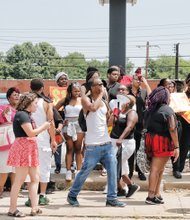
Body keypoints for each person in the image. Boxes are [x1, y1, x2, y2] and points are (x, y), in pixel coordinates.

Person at [67, 77, 126, 207]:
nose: (102, 86)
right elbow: (93, 108)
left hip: (106, 144)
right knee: (84, 172)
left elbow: (107, 121)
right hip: (92, 146)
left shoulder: (104, 102)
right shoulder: (86, 99)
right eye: (99, 84)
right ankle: (72, 194)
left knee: (112, 171)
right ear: (92, 87)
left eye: (102, 84)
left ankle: (111, 198)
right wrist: (100, 94)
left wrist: (115, 115)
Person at [7, 92, 51, 217]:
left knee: (35, 178)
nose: (37, 106)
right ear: (28, 103)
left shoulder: (26, 115)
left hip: (29, 148)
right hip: (24, 148)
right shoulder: (22, 115)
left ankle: (34, 207)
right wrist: (44, 127)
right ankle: (12, 209)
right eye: (35, 103)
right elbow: (31, 133)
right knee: (19, 180)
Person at [144, 86, 179, 205]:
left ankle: (157, 193)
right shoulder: (167, 110)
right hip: (162, 142)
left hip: (151, 140)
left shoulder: (150, 110)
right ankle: (151, 195)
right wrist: (177, 147)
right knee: (155, 169)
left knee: (159, 169)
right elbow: (172, 128)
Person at [25, 79, 57, 207]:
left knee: (28, 168)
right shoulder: (46, 103)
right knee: (44, 167)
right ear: (42, 88)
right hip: (43, 138)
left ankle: (30, 197)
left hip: (28, 137)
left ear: (30, 87)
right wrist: (53, 140)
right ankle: (42, 196)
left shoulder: (25, 102)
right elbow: (51, 123)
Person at [110, 94, 140, 197]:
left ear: (128, 103)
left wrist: (121, 138)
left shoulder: (132, 113)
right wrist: (114, 116)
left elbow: (129, 127)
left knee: (114, 165)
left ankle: (122, 187)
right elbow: (110, 124)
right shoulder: (121, 112)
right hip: (115, 141)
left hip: (125, 143)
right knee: (120, 167)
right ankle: (127, 187)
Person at [55, 82, 84, 181]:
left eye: (78, 91)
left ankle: (79, 171)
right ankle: (68, 171)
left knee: (78, 148)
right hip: (68, 125)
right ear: (70, 91)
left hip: (79, 125)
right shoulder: (65, 100)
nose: (77, 93)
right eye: (75, 91)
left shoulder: (83, 100)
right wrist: (62, 120)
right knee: (69, 148)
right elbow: (54, 110)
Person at [128, 68, 151, 181]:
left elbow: (152, 98)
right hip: (128, 124)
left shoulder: (143, 92)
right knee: (130, 149)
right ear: (132, 80)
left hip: (141, 125)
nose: (139, 82)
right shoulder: (126, 91)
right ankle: (129, 172)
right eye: (137, 79)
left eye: (140, 80)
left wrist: (146, 83)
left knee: (141, 149)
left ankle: (140, 170)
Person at [0, 87, 20, 198]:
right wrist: (3, 115)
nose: (17, 96)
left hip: (18, 140)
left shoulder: (22, 110)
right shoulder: (3, 108)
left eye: (18, 94)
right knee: (4, 167)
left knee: (16, 167)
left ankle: (15, 190)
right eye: (14, 94)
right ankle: (0, 189)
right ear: (8, 98)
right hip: (6, 140)